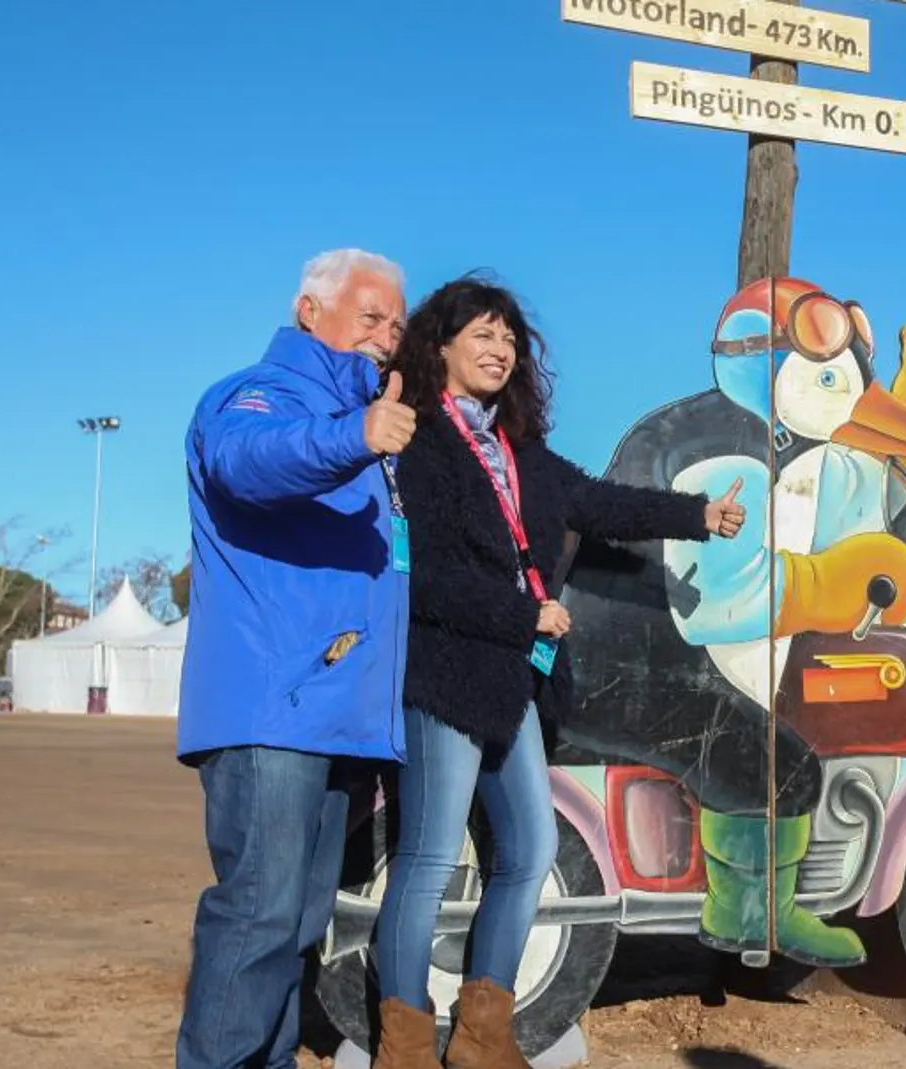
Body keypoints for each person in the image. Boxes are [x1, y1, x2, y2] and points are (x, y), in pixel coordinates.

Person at [368, 276, 745, 1069]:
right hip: (445, 677)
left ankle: (482, 1035)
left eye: (509, 339)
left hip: (514, 687)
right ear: (438, 346)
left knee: (531, 850)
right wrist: (523, 615)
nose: (500, 349)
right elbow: (422, 576)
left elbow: (602, 503)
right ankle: (402, 1042)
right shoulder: (421, 440)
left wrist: (698, 516)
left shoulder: (519, 454)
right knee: (430, 857)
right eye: (482, 334)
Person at [175, 248, 415, 1069]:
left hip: (334, 717)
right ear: (310, 311)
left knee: (298, 926)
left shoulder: (370, 424)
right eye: (370, 313)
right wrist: (355, 432)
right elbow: (248, 463)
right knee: (258, 915)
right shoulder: (260, 394)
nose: (387, 333)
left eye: (396, 321)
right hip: (270, 708)